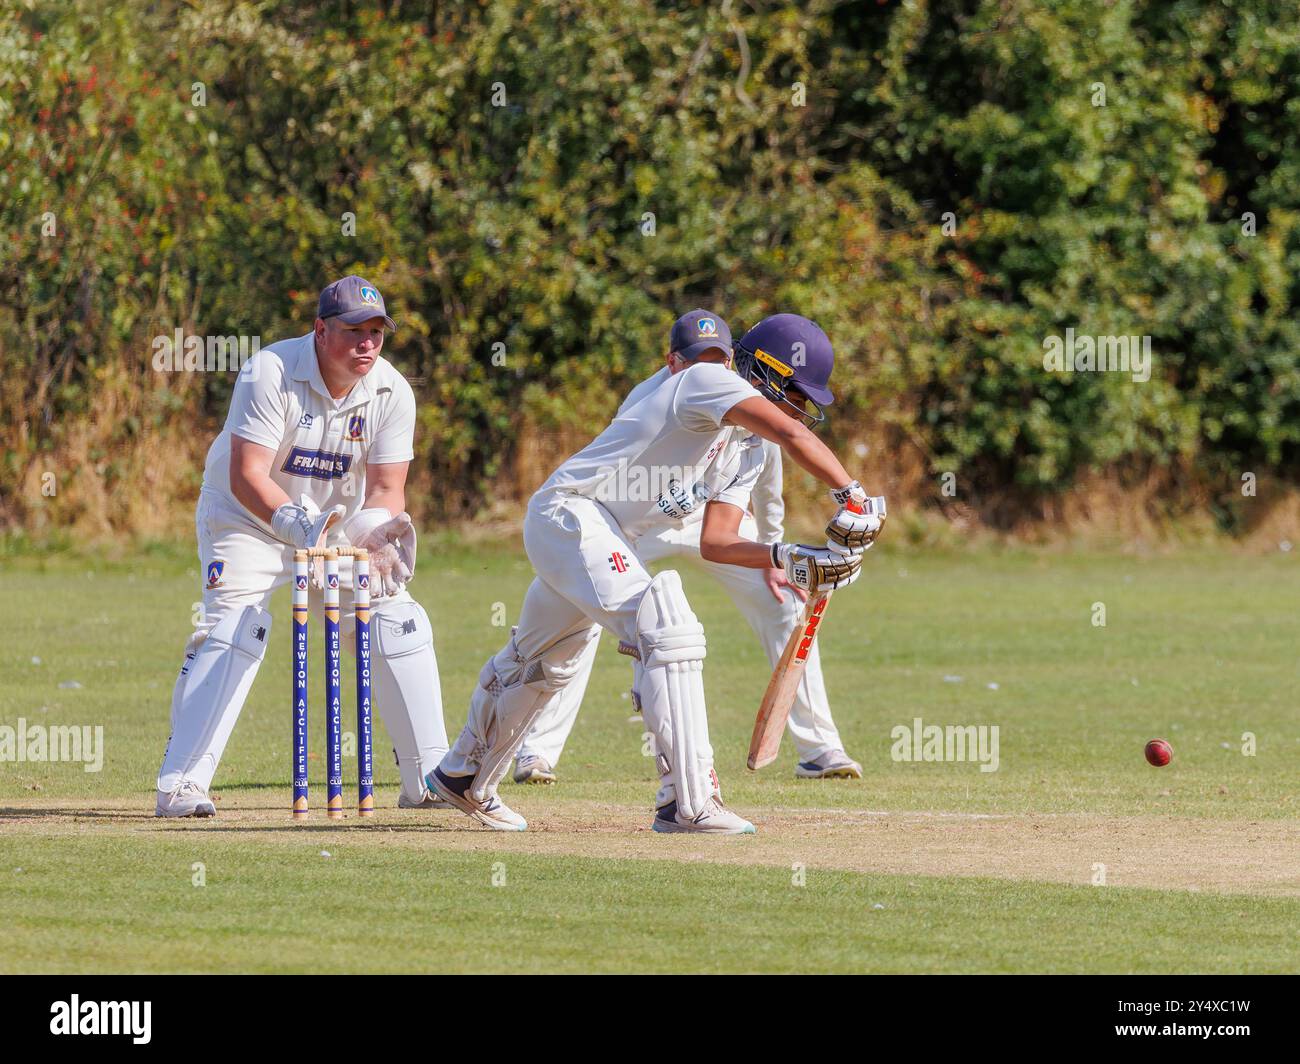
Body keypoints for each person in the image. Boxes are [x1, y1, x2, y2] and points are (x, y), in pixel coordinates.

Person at [427, 310, 882, 834]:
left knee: (541, 662)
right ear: (765, 372)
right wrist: (853, 494)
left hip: (611, 535)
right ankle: (688, 802)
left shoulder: (748, 448)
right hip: (571, 511)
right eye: (797, 396)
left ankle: (462, 775)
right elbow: (794, 436)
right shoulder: (709, 379)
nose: (801, 412)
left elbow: (717, 542)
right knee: (667, 628)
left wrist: (792, 558)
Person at [154, 275, 449, 817]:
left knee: (396, 617)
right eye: (354, 331)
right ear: (319, 329)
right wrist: (295, 524)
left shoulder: (392, 390)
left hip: (334, 530)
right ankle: (182, 783)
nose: (368, 344)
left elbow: (385, 490)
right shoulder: (270, 369)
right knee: (235, 627)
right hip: (248, 521)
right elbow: (247, 474)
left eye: (378, 332)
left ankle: (428, 780)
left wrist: (374, 535)